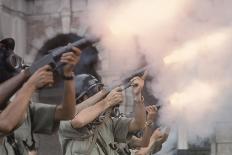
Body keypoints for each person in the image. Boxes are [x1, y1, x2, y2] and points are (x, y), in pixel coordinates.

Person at [0, 37, 81, 155]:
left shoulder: (23, 108)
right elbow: (6, 124)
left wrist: (68, 76)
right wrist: (30, 85)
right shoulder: (18, 107)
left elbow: (66, 113)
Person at [58, 74, 146, 155]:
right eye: (92, 94)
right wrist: (107, 101)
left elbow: (138, 124)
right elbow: (79, 121)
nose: (97, 97)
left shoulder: (106, 121)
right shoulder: (65, 118)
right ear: (80, 100)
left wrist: (137, 97)